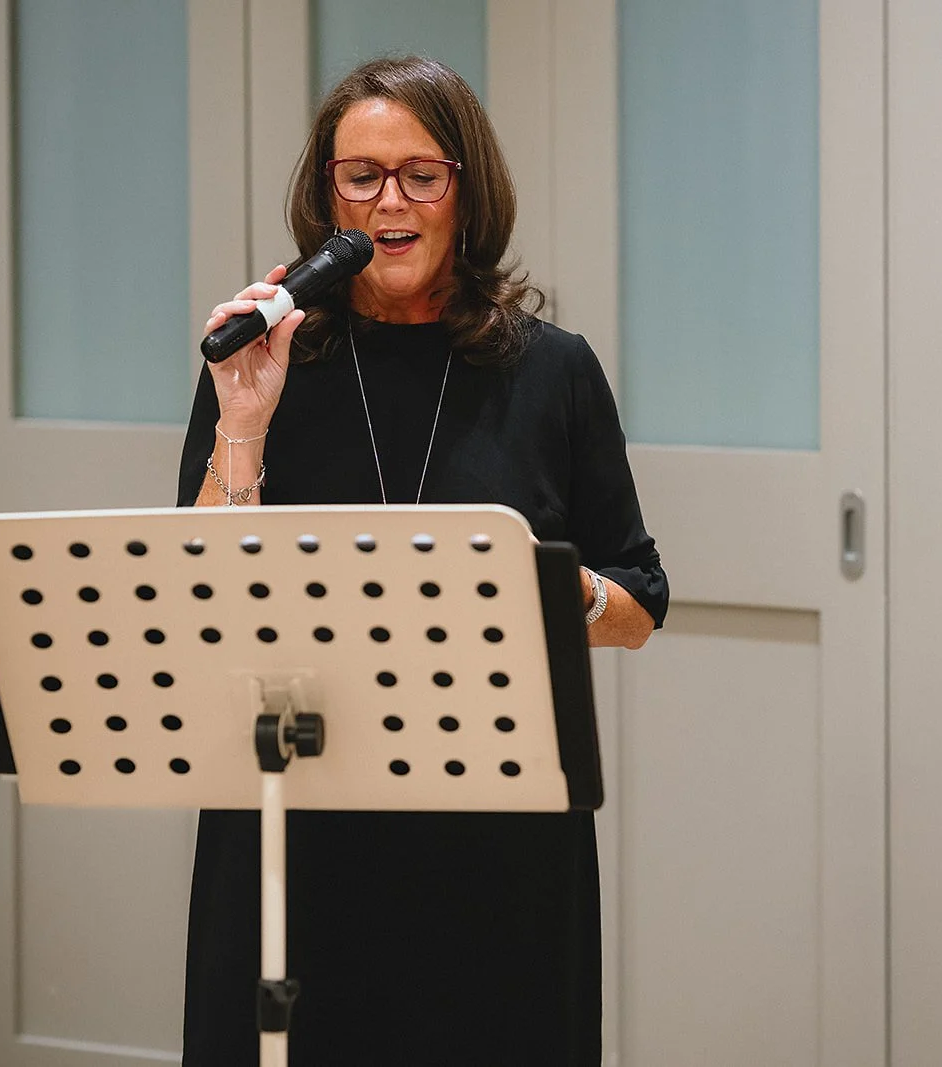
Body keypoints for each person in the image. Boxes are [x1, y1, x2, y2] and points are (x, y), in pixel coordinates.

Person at [175, 54, 667, 1064]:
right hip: (294, 825)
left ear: (464, 192)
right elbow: (197, 592)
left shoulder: (551, 369)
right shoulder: (264, 361)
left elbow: (640, 601)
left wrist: (552, 587)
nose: (388, 201)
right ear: (327, 199)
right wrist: (243, 420)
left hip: (494, 836)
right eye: (359, 175)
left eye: (419, 174)